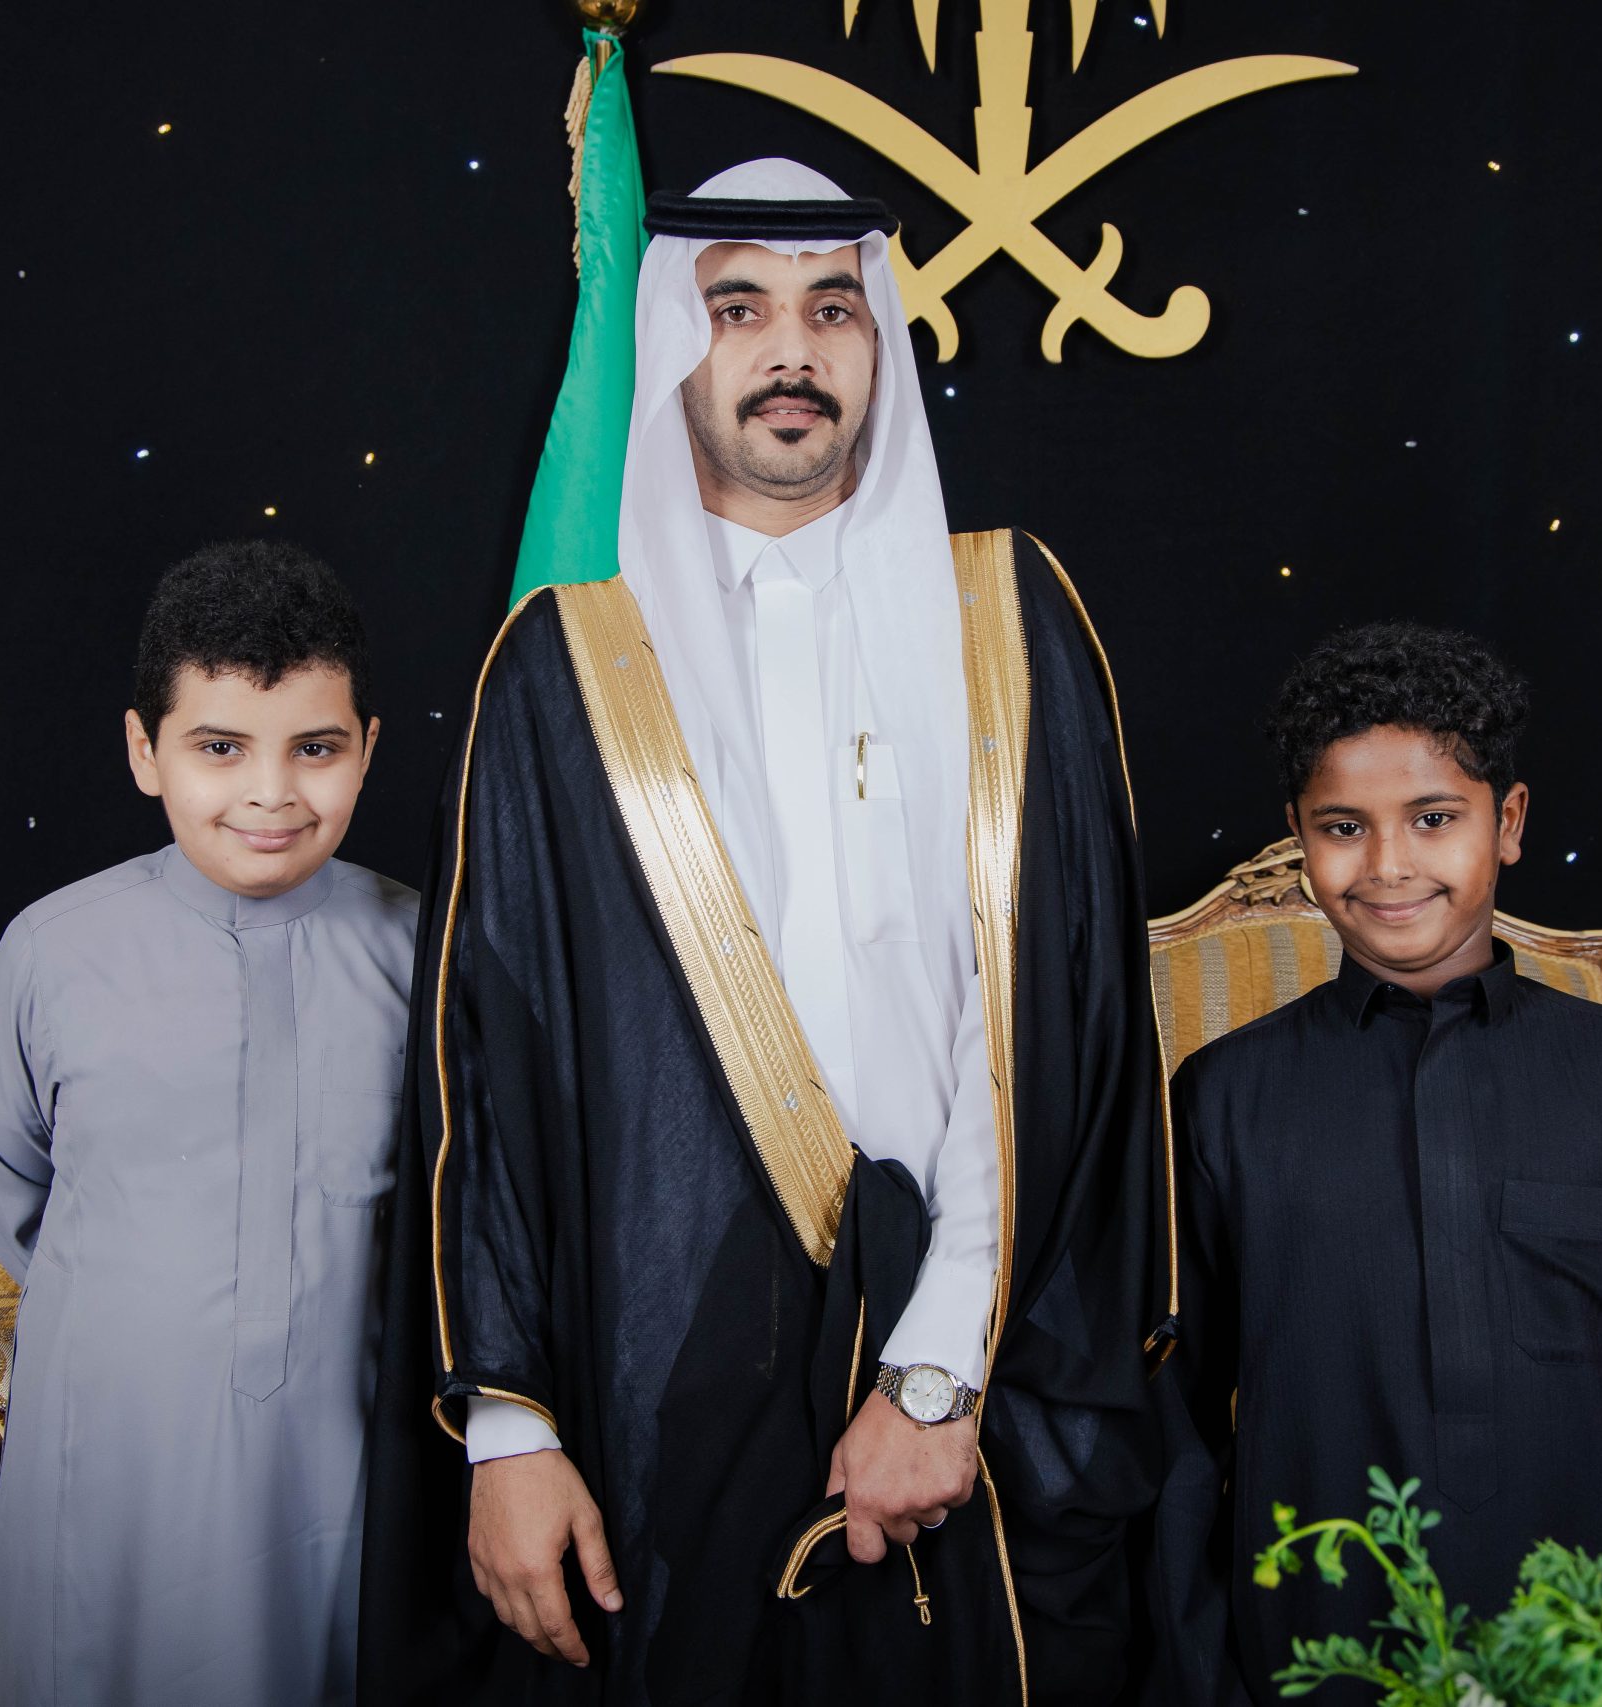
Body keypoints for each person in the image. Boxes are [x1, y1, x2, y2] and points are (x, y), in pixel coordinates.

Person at [359, 159, 1175, 1705]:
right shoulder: (565, 668)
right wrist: (511, 1430)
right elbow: (491, 1064)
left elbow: (1067, 1030)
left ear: (880, 342)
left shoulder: (1014, 624)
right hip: (659, 1361)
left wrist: (933, 1370)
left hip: (969, 1373)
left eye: (830, 309)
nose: (790, 350)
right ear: (679, 337)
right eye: (738, 308)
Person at [1166, 620, 1602, 1703]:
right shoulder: (1222, 1100)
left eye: (1434, 818)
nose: (1388, 864)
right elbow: (1171, 1441)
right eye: (1343, 827)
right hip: (1315, 1659)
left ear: (1509, 823)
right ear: (1298, 837)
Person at [0, 541, 417, 1706]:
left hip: (339, 1460)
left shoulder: (427, 954)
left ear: (368, 751)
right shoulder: (51, 951)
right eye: (219, 748)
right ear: (143, 751)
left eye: (314, 749)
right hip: (109, 1452)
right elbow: (16, 1193)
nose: (270, 794)